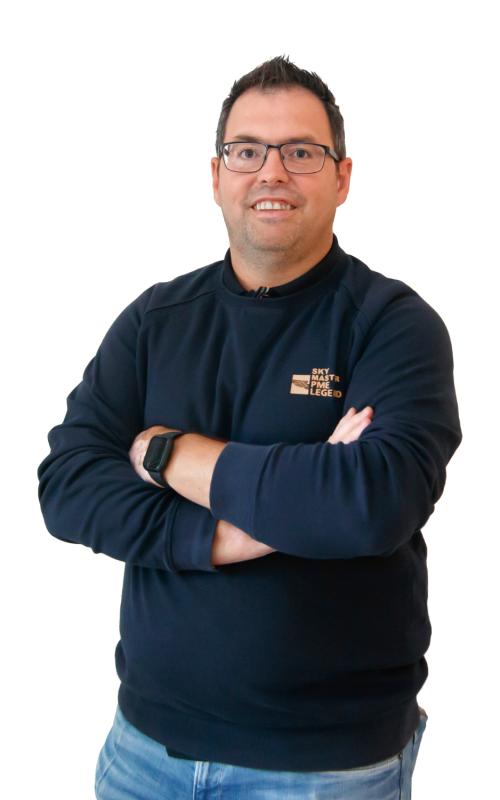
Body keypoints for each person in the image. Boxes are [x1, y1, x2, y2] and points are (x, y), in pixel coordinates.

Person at [37, 55, 462, 799]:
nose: (272, 172)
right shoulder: (155, 320)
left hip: (325, 769)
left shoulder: (392, 324)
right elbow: (68, 484)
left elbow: (369, 501)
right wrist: (228, 533)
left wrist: (167, 453)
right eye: (246, 151)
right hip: (144, 752)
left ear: (342, 177)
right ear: (216, 176)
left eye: (301, 152)